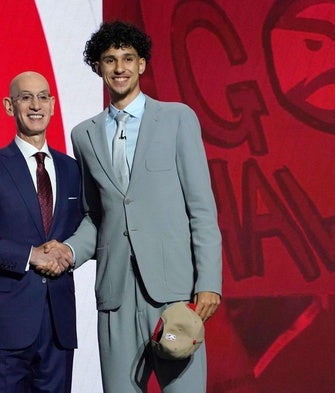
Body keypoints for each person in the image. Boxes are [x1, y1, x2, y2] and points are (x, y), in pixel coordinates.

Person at [46, 21, 223, 392]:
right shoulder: (84, 134)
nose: (120, 67)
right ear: (98, 67)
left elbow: (201, 209)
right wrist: (68, 251)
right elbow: (97, 216)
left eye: (128, 58)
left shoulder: (177, 118)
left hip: (174, 295)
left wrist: (208, 283)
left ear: (142, 64)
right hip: (116, 296)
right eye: (110, 60)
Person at [0, 71, 82, 392]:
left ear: (53, 105)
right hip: (5, 326)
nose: (35, 105)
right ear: (10, 107)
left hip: (58, 327)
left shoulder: (72, 169)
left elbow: (87, 229)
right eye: (26, 97)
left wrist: (72, 251)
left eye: (42, 97)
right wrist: (30, 255)